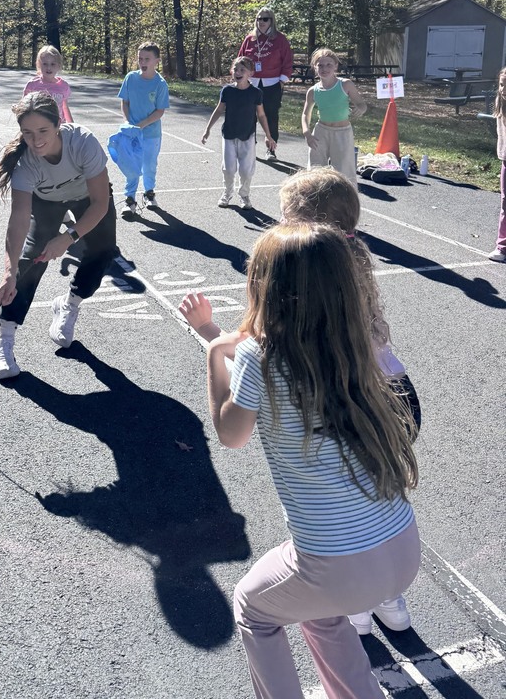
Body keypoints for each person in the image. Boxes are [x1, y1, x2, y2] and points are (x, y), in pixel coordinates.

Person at [180, 223, 419, 699]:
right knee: (317, 609)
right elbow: (263, 362)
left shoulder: (260, 356)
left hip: (336, 564)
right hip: (401, 549)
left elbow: (231, 433)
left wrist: (211, 351)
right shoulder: (352, 344)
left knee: (253, 606)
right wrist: (214, 332)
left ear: (264, 287)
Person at [279, 166, 420, 634]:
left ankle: (356, 606)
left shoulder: (308, 271)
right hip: (394, 391)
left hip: (351, 399)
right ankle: (390, 600)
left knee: (337, 499)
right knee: (378, 489)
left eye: (286, 220)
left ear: (307, 227)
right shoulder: (357, 254)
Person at [0, 92, 116, 381]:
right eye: (27, 133)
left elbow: (100, 204)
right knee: (32, 256)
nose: (35, 141)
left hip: (89, 199)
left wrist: (68, 238)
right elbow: (19, 218)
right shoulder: (25, 163)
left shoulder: (83, 142)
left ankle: (69, 304)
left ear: (59, 123)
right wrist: (8, 272)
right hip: (47, 201)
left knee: (104, 249)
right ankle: (4, 337)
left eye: (43, 131)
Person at [201, 56, 275, 209]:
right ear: (231, 71)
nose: (238, 72)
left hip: (247, 135)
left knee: (246, 171)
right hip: (229, 135)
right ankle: (227, 193)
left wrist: (268, 136)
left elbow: (261, 115)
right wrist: (208, 129)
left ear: (250, 74)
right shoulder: (227, 90)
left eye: (243, 70)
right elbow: (219, 109)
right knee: (228, 168)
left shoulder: (256, 93)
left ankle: (244, 195)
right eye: (236, 69)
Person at [118, 41, 169, 215]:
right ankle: (129, 199)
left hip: (151, 134)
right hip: (131, 134)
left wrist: (141, 125)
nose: (143, 62)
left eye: (147, 58)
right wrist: (127, 122)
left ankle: (149, 194)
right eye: (140, 58)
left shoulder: (160, 84)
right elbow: (125, 102)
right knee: (132, 166)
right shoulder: (130, 78)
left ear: (157, 61)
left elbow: (159, 111)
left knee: (149, 165)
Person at [301, 48, 367, 184]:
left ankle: (348, 202)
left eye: (329, 65)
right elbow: (305, 114)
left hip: (342, 133)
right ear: (315, 67)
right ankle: (316, 200)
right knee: (316, 170)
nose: (324, 68)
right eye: (320, 65)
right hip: (320, 132)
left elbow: (361, 103)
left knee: (344, 171)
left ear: (336, 66)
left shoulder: (345, 84)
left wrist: (360, 108)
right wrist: (307, 133)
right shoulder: (313, 91)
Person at [237, 7, 293, 159]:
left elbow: (287, 62)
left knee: (270, 117)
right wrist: (241, 78)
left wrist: (282, 81)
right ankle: (249, 146)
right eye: (259, 18)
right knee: (249, 115)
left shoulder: (280, 39)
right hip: (251, 83)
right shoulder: (250, 39)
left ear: (272, 21)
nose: (261, 22)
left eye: (265, 19)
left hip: (272, 84)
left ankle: (271, 149)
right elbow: (240, 60)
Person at [23, 45, 72, 122]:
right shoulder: (32, 85)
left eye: (53, 64)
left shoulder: (63, 86)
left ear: (59, 66)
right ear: (39, 64)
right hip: (38, 126)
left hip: (58, 126)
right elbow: (24, 106)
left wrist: (72, 125)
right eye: (45, 64)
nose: (49, 68)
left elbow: (65, 107)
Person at [488, 65, 506, 262]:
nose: (503, 89)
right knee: (505, 204)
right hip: (505, 159)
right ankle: (502, 246)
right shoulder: (500, 102)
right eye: (501, 85)